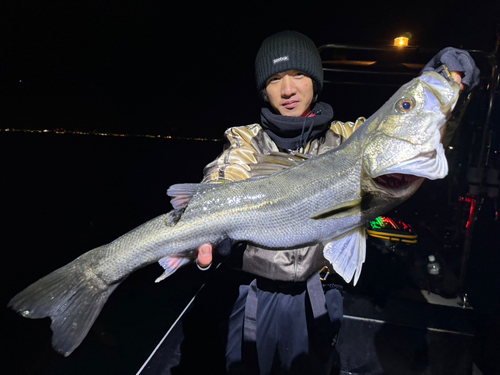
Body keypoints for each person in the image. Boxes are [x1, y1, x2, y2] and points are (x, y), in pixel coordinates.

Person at [192, 30, 479, 374]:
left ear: (315, 79)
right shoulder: (247, 142)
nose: (288, 90)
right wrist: (204, 219)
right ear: (263, 90)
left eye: (298, 74)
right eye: (274, 79)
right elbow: (224, 176)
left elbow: (414, 128)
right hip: (255, 296)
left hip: (318, 294)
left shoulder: (349, 138)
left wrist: (444, 78)